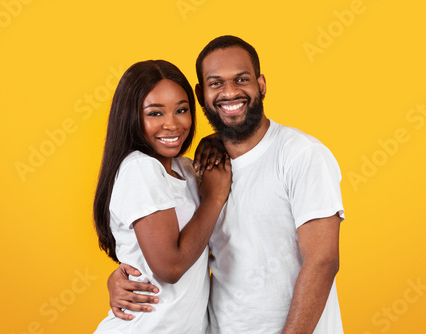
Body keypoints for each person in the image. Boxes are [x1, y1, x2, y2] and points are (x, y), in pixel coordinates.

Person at [107, 36, 345, 334]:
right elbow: (171, 251)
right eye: (216, 83)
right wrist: (122, 275)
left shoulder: (300, 154)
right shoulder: (204, 171)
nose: (230, 91)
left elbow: (322, 261)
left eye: (241, 79)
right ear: (201, 94)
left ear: (261, 85)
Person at [92, 59, 232, 333]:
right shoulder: (140, 168)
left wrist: (215, 140)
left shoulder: (186, 169)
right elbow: (170, 266)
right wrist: (214, 199)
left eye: (181, 110)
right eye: (155, 113)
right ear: (132, 117)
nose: (172, 124)